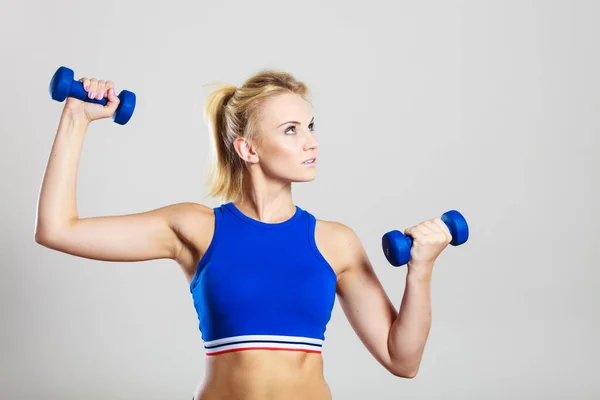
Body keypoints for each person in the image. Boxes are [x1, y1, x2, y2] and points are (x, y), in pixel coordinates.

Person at [35, 69, 453, 400]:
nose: (312, 142)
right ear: (248, 149)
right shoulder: (195, 228)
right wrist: (76, 118)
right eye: (291, 130)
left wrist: (421, 270)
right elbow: (58, 230)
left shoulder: (336, 242)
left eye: (311, 126)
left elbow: (404, 360)